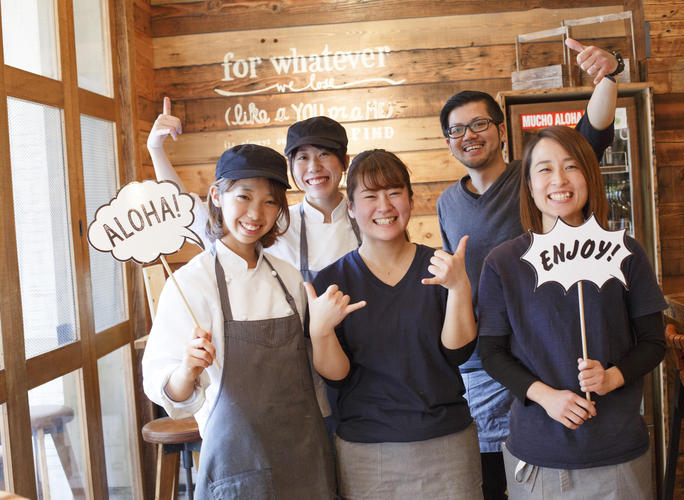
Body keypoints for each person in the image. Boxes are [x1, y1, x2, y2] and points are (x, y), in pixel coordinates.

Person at [436, 38, 623, 499]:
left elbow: (592, 132)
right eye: (457, 130)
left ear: (501, 130)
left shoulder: (535, 176)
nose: (468, 135)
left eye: (479, 123)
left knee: (549, 475)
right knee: (493, 478)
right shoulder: (446, 202)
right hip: (485, 362)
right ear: (449, 143)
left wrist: (610, 74)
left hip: (544, 356)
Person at [477, 125, 666, 498]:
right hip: (538, 455)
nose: (559, 180)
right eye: (545, 169)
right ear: (530, 185)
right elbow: (491, 352)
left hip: (617, 452)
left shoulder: (626, 253)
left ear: (590, 176)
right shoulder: (503, 263)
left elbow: (654, 342)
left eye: (571, 166)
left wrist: (612, 377)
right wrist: (547, 397)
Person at [142, 144, 336, 499]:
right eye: (244, 197)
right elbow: (166, 386)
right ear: (217, 196)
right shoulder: (191, 283)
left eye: (270, 202)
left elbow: (312, 375)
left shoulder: (288, 277)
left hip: (304, 453)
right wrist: (187, 369)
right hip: (237, 463)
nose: (256, 213)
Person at [307, 149, 482, 499]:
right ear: (351, 208)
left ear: (411, 200)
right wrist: (321, 330)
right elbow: (337, 376)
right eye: (370, 196)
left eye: (394, 192)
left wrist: (459, 287)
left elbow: (458, 353)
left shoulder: (441, 267)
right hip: (367, 454)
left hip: (447, 444)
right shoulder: (331, 282)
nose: (384, 206)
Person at [147, 99, 360, 282]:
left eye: (324, 154)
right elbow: (185, 210)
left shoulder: (365, 221)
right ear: (291, 167)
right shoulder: (274, 224)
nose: (314, 167)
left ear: (345, 161)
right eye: (303, 157)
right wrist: (156, 149)